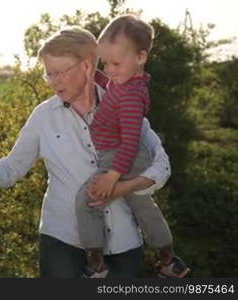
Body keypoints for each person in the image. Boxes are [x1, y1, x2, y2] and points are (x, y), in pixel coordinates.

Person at [0, 26, 170, 278]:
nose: (53, 82)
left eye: (59, 73)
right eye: (48, 74)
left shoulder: (124, 103)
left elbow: (161, 166)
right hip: (62, 241)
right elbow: (10, 169)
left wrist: (119, 189)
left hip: (123, 244)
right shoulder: (43, 117)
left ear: (87, 66)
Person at [75, 15, 189, 279]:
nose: (110, 69)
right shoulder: (125, 82)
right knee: (144, 207)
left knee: (88, 200)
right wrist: (95, 75)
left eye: (115, 62)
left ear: (140, 57)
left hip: (122, 157)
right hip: (121, 155)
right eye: (105, 62)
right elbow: (110, 84)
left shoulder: (131, 97)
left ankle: (96, 266)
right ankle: (169, 261)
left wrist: (112, 177)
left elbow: (129, 142)